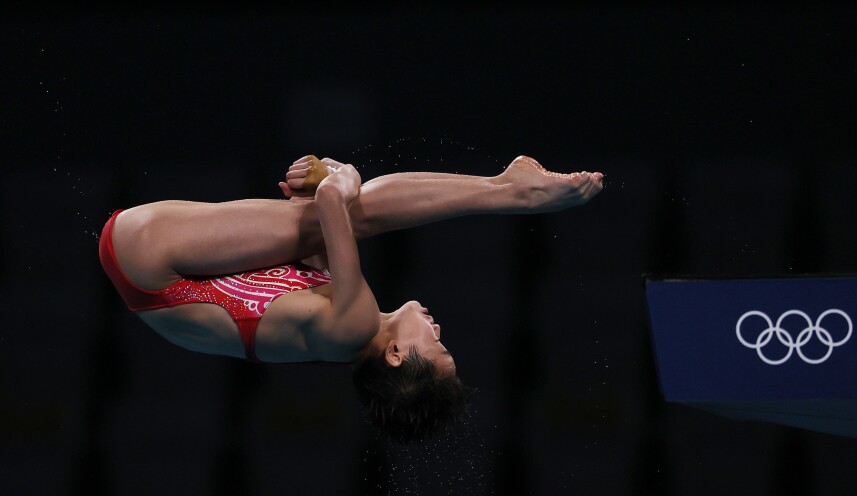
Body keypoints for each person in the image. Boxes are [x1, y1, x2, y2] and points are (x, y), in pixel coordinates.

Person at [98, 154, 605, 442]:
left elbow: (332, 201)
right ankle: (506, 188)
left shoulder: (357, 324)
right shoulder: (338, 336)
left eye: (437, 347)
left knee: (358, 212)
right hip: (148, 273)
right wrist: (307, 195)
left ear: (395, 353)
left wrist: (339, 174)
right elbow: (308, 232)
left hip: (150, 260)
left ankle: (515, 193)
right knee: (332, 222)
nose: (439, 331)